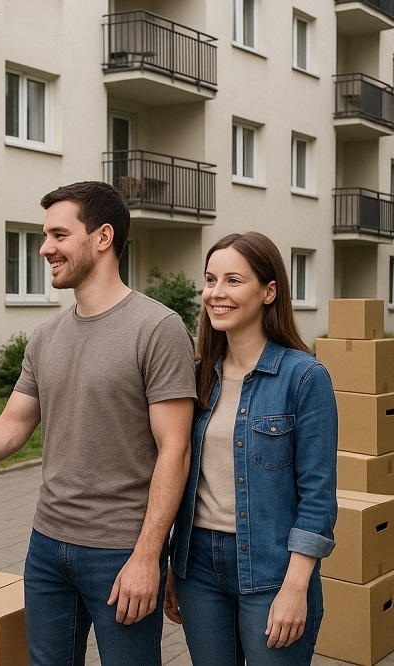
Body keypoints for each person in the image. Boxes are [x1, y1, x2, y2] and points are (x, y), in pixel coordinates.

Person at [0, 181, 196, 665]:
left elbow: (175, 450)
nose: (44, 248)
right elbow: (10, 427)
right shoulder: (46, 336)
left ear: (102, 237)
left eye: (58, 234)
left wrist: (147, 557)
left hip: (119, 549)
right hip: (47, 546)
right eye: (44, 235)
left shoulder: (157, 329)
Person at [163, 232, 337, 665]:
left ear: (269, 291)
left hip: (272, 569)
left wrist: (296, 587)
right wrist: (172, 564)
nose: (216, 293)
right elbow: (183, 477)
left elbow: (317, 497)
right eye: (210, 279)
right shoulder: (198, 375)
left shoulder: (305, 378)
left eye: (233, 281)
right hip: (198, 566)